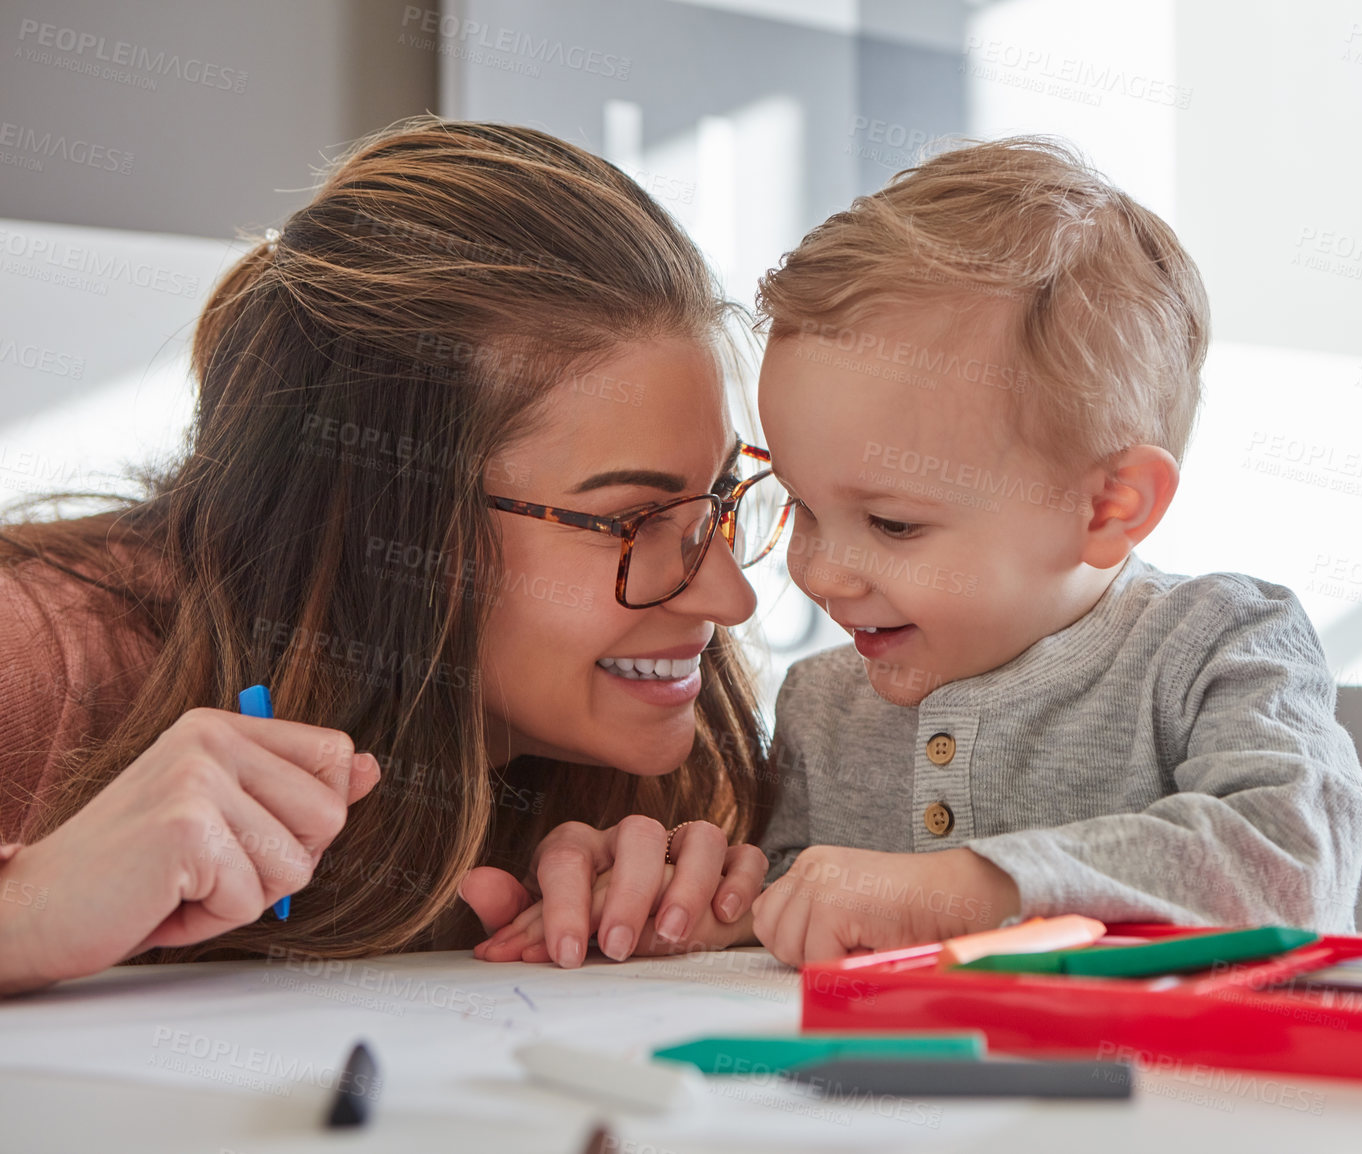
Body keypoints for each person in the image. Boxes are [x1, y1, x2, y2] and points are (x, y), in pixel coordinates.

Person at [0, 118, 783, 997]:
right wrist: (26, 909)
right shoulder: (39, 657)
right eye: (632, 518)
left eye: (715, 500)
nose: (730, 597)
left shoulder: (663, 770)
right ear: (395, 521)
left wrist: (695, 917)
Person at [746, 137, 1362, 964]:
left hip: (1195, 1093)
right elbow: (797, 900)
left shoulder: (1217, 643)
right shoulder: (821, 706)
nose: (819, 573)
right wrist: (727, 904)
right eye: (800, 504)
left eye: (894, 525)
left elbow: (1293, 865)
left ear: (1109, 506)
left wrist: (973, 891)